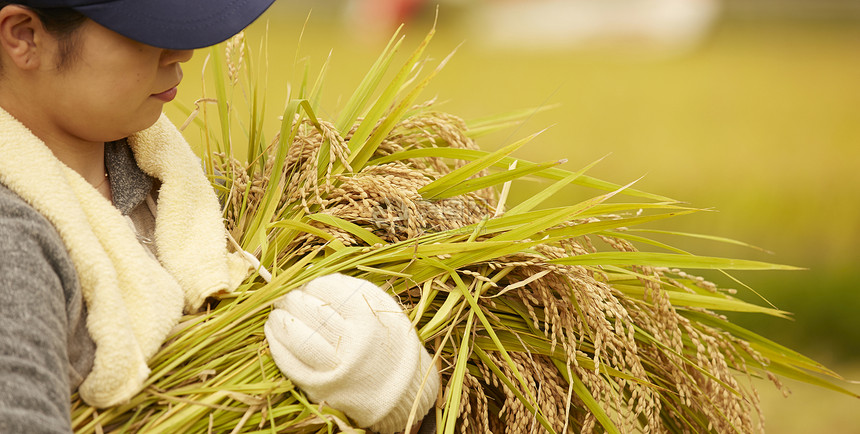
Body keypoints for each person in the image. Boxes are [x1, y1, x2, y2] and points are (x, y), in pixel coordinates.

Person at [0, 1, 438, 433]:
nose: (181, 52)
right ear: (25, 36)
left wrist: (404, 399)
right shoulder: (13, 247)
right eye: (145, 29)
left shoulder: (179, 189)